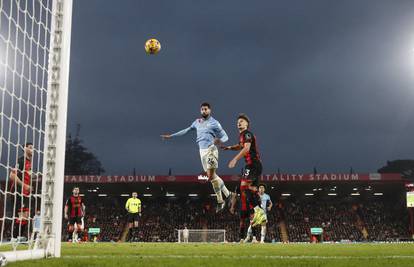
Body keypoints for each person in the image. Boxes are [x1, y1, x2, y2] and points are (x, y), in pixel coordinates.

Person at [161, 102, 233, 212]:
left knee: (210, 175)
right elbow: (186, 130)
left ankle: (221, 200)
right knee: (213, 177)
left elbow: (225, 136)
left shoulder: (215, 123)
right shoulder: (197, 122)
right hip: (202, 151)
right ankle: (228, 195)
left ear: (210, 110)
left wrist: (220, 140)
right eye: (202, 109)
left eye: (206, 109)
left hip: (211, 149)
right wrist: (171, 136)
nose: (204, 111)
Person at [222, 113, 265, 226]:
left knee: (243, 187)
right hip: (255, 165)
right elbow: (240, 146)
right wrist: (230, 148)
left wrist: (234, 159)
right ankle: (259, 211)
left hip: (252, 165)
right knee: (250, 190)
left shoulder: (247, 134)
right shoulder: (243, 136)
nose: (239, 123)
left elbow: (246, 149)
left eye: (241, 121)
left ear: (247, 124)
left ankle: (259, 211)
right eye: (238, 121)